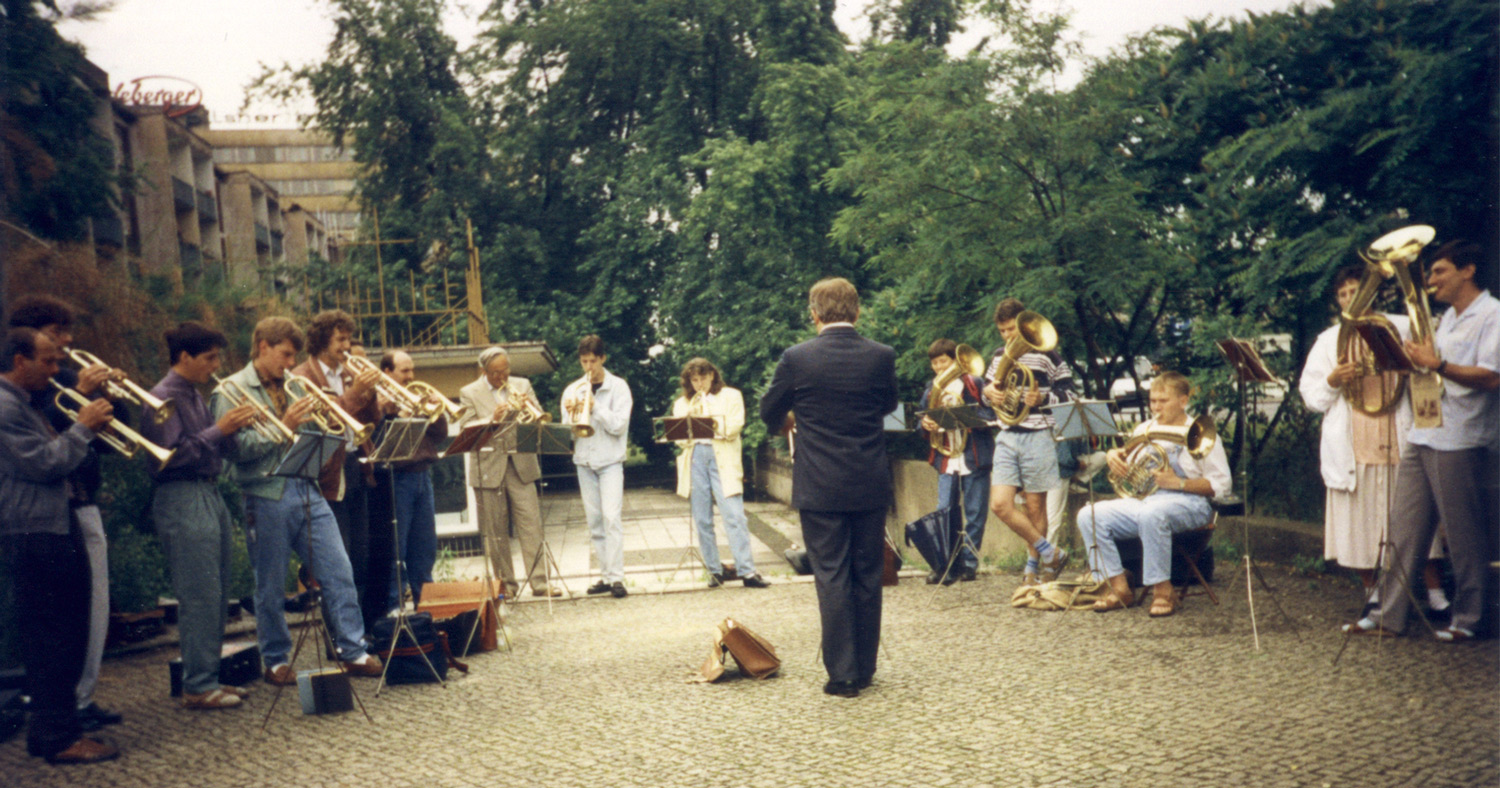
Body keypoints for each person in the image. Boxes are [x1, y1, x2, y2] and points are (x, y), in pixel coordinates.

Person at [211, 317, 382, 685]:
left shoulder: (291, 384)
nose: (290, 364)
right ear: (263, 347)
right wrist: (284, 424)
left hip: (307, 487)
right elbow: (234, 452)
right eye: (285, 355)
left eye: (293, 356)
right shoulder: (230, 391)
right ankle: (275, 660)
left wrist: (318, 422)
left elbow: (307, 433)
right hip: (265, 492)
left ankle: (352, 650)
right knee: (270, 583)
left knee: (339, 569)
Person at [1346, 241, 1499, 641]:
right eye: (1429, 274)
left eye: (1439, 272)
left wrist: (1439, 365)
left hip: (1462, 436)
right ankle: (1386, 613)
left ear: (1468, 271)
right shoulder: (1447, 318)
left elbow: (1492, 376)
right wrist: (1414, 360)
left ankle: (1470, 619)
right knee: (1405, 528)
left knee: (1462, 533)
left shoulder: (1492, 314)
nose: (1430, 281)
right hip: (1425, 429)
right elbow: (1434, 370)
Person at [760, 277, 898, 698]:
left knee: (832, 575)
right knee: (868, 574)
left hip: (820, 484)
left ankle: (843, 674)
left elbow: (770, 409)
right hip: (869, 480)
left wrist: (790, 421)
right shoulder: (881, 355)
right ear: (857, 312)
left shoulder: (797, 358)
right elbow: (889, 405)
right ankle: (867, 668)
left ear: (814, 314)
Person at [1298, 265, 1448, 612]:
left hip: (1400, 434)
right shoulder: (1329, 340)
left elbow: (1429, 370)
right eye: (1344, 294)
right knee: (1360, 525)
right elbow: (1311, 397)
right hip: (1354, 443)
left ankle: (1437, 595)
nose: (1351, 298)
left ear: (1373, 293)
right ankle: (1375, 595)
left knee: (1416, 520)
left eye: (1356, 290)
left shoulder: (1399, 325)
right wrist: (1334, 379)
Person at [0, 327, 118, 764]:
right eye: (47, 361)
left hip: (50, 524)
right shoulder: (5, 407)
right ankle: (57, 737)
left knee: (66, 633)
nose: (56, 371)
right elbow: (45, 463)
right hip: (33, 532)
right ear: (18, 361)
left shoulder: (25, 403)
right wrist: (83, 428)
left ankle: (55, 730)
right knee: (53, 637)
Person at [140, 322, 258, 710]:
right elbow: (168, 458)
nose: (216, 365)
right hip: (181, 495)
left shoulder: (194, 395)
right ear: (184, 357)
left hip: (207, 491)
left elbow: (216, 449)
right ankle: (198, 684)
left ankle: (207, 676)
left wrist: (235, 429)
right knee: (199, 593)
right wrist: (218, 430)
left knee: (216, 590)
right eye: (209, 358)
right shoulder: (161, 398)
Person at [1075, 372, 1231, 616]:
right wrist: (1113, 456)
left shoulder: (1200, 432)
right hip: (1148, 500)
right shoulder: (1145, 428)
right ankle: (1118, 587)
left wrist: (1178, 483)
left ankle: (1162, 590)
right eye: (1153, 401)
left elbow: (1222, 485)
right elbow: (1130, 468)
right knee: (1088, 515)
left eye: (1163, 401)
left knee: (1151, 513)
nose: (1156, 407)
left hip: (1191, 503)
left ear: (1183, 401)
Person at [290, 310, 383, 625]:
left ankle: (357, 633)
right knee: (336, 562)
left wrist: (368, 392)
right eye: (340, 339)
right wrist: (357, 393)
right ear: (321, 341)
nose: (347, 345)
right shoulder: (303, 376)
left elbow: (372, 420)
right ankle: (340, 639)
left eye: (348, 338)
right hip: (326, 474)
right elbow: (328, 420)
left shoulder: (346, 373)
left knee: (359, 558)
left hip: (356, 467)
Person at [983, 298, 1074, 585]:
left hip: (1038, 434)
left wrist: (1044, 398)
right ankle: (1052, 553)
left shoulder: (1049, 355)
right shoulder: (998, 356)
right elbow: (988, 392)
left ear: (1024, 325)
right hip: (1008, 433)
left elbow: (1071, 395)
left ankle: (1033, 568)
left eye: (1012, 329)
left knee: (1035, 507)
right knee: (1000, 504)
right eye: (1003, 331)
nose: (1008, 336)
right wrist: (989, 393)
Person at [458, 346, 558, 598]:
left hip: (521, 464)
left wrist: (528, 408)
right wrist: (492, 418)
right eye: (496, 373)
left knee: (531, 525)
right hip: (489, 468)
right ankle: (506, 586)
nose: (502, 377)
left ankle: (541, 582)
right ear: (484, 371)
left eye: (506, 370)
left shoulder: (522, 384)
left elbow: (537, 419)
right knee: (495, 532)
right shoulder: (468, 392)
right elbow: (466, 429)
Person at [671, 357, 769, 589]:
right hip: (696, 457)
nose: (699, 384)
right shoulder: (682, 403)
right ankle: (714, 570)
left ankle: (747, 570)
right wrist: (690, 420)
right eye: (694, 380)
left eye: (703, 378)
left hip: (721, 457)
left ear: (712, 375)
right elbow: (680, 440)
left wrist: (709, 418)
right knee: (702, 518)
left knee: (734, 515)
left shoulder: (731, 395)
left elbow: (734, 427)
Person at [916, 339, 993, 584]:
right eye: (935, 363)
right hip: (946, 456)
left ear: (956, 361)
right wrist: (925, 424)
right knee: (943, 512)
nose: (940, 368)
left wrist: (964, 414)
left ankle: (969, 564)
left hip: (973, 455)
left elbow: (991, 415)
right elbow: (920, 420)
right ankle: (944, 564)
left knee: (975, 512)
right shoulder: (931, 390)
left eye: (944, 362)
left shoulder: (975, 384)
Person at [562, 335, 633, 598]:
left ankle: (617, 578)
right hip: (584, 461)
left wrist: (596, 406)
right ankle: (605, 576)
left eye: (593, 360)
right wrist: (571, 415)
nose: (588, 366)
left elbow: (618, 426)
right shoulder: (572, 390)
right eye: (584, 361)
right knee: (595, 522)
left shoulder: (619, 387)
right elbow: (567, 434)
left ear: (603, 358)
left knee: (611, 518)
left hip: (611, 461)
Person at [379, 349, 449, 610]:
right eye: (404, 371)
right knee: (397, 550)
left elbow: (440, 434)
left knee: (424, 548)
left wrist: (435, 409)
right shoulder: (381, 401)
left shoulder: (414, 397)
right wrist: (390, 413)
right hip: (397, 478)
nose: (411, 376)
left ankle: (427, 608)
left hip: (423, 476)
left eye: (412, 370)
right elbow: (377, 442)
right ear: (387, 372)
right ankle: (394, 610)